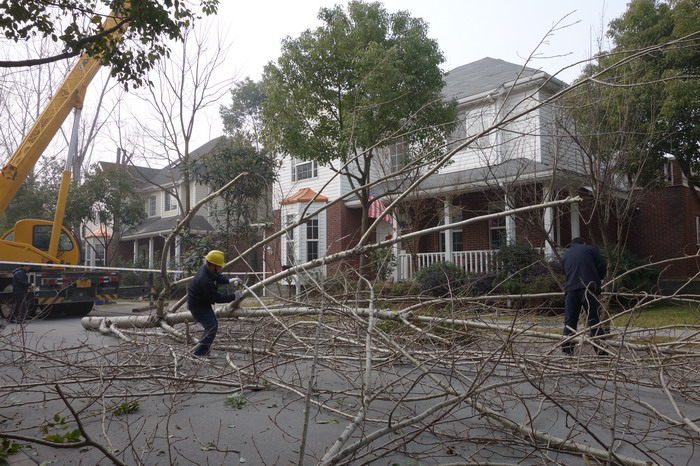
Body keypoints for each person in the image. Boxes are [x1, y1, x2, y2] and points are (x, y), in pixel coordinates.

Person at [187, 250, 243, 357]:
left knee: (213, 326)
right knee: (211, 327)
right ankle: (199, 354)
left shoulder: (208, 270)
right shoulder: (204, 280)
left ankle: (204, 351)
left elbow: (217, 276)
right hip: (197, 306)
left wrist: (228, 281)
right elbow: (216, 298)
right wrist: (234, 296)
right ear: (213, 265)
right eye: (219, 266)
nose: (221, 268)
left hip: (203, 303)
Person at [561, 237, 607, 356]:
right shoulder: (591, 249)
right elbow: (601, 266)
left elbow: (566, 271)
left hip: (571, 289)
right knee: (594, 320)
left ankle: (567, 351)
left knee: (570, 321)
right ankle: (601, 351)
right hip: (588, 288)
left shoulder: (566, 254)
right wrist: (599, 280)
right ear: (584, 243)